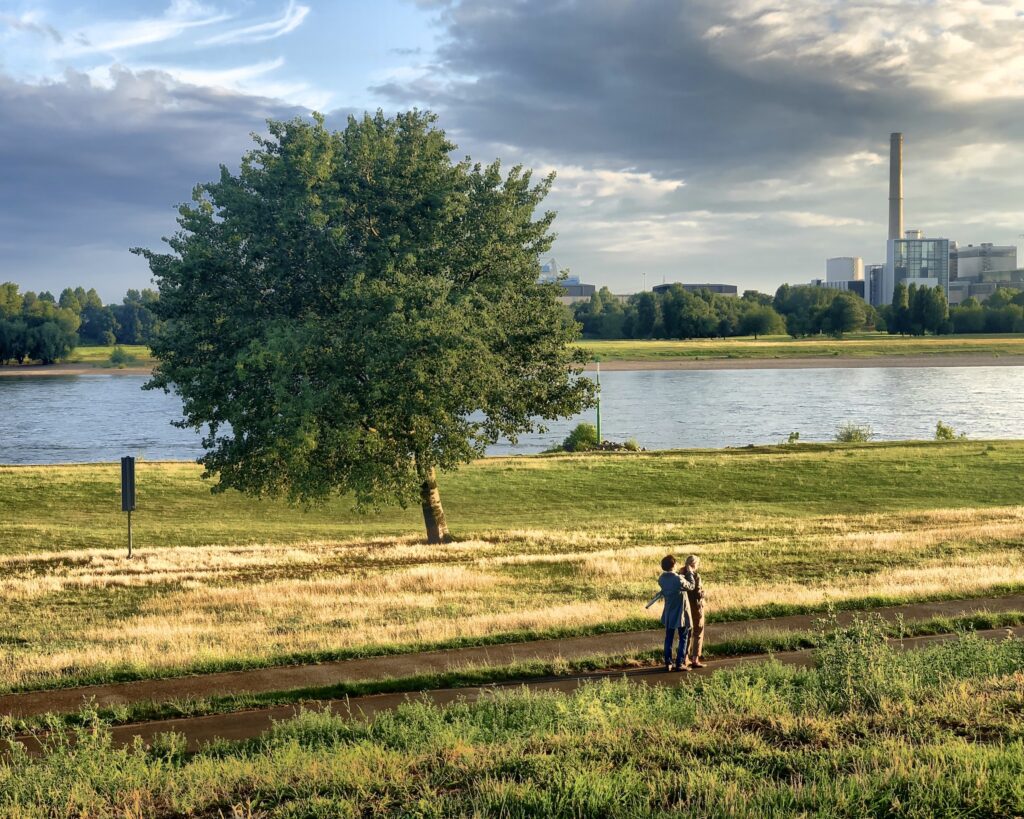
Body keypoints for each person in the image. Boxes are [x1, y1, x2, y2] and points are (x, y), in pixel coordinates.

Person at [647, 554, 695, 672]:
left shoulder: (661, 579)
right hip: (681, 613)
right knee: (683, 637)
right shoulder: (678, 579)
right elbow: (691, 586)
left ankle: (668, 663)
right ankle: (679, 663)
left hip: (669, 611)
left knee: (668, 638)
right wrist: (689, 573)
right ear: (673, 565)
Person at [681, 555, 706, 668]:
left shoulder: (681, 574)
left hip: (685, 607)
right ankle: (695, 658)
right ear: (694, 565)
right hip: (696, 607)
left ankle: (684, 658)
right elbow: (698, 593)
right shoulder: (696, 576)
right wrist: (704, 594)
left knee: (687, 633)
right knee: (698, 631)